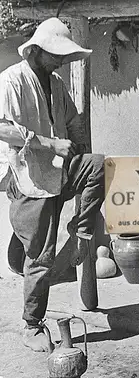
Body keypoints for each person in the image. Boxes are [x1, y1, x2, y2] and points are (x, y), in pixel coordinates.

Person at [0, 18, 105, 352]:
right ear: (35, 50)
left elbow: (73, 119)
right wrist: (49, 143)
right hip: (30, 179)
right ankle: (32, 324)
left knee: (98, 165)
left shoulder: (57, 83)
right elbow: (2, 128)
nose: (61, 61)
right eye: (55, 54)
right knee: (40, 258)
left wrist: (77, 144)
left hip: (61, 172)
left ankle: (81, 231)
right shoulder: (11, 81)